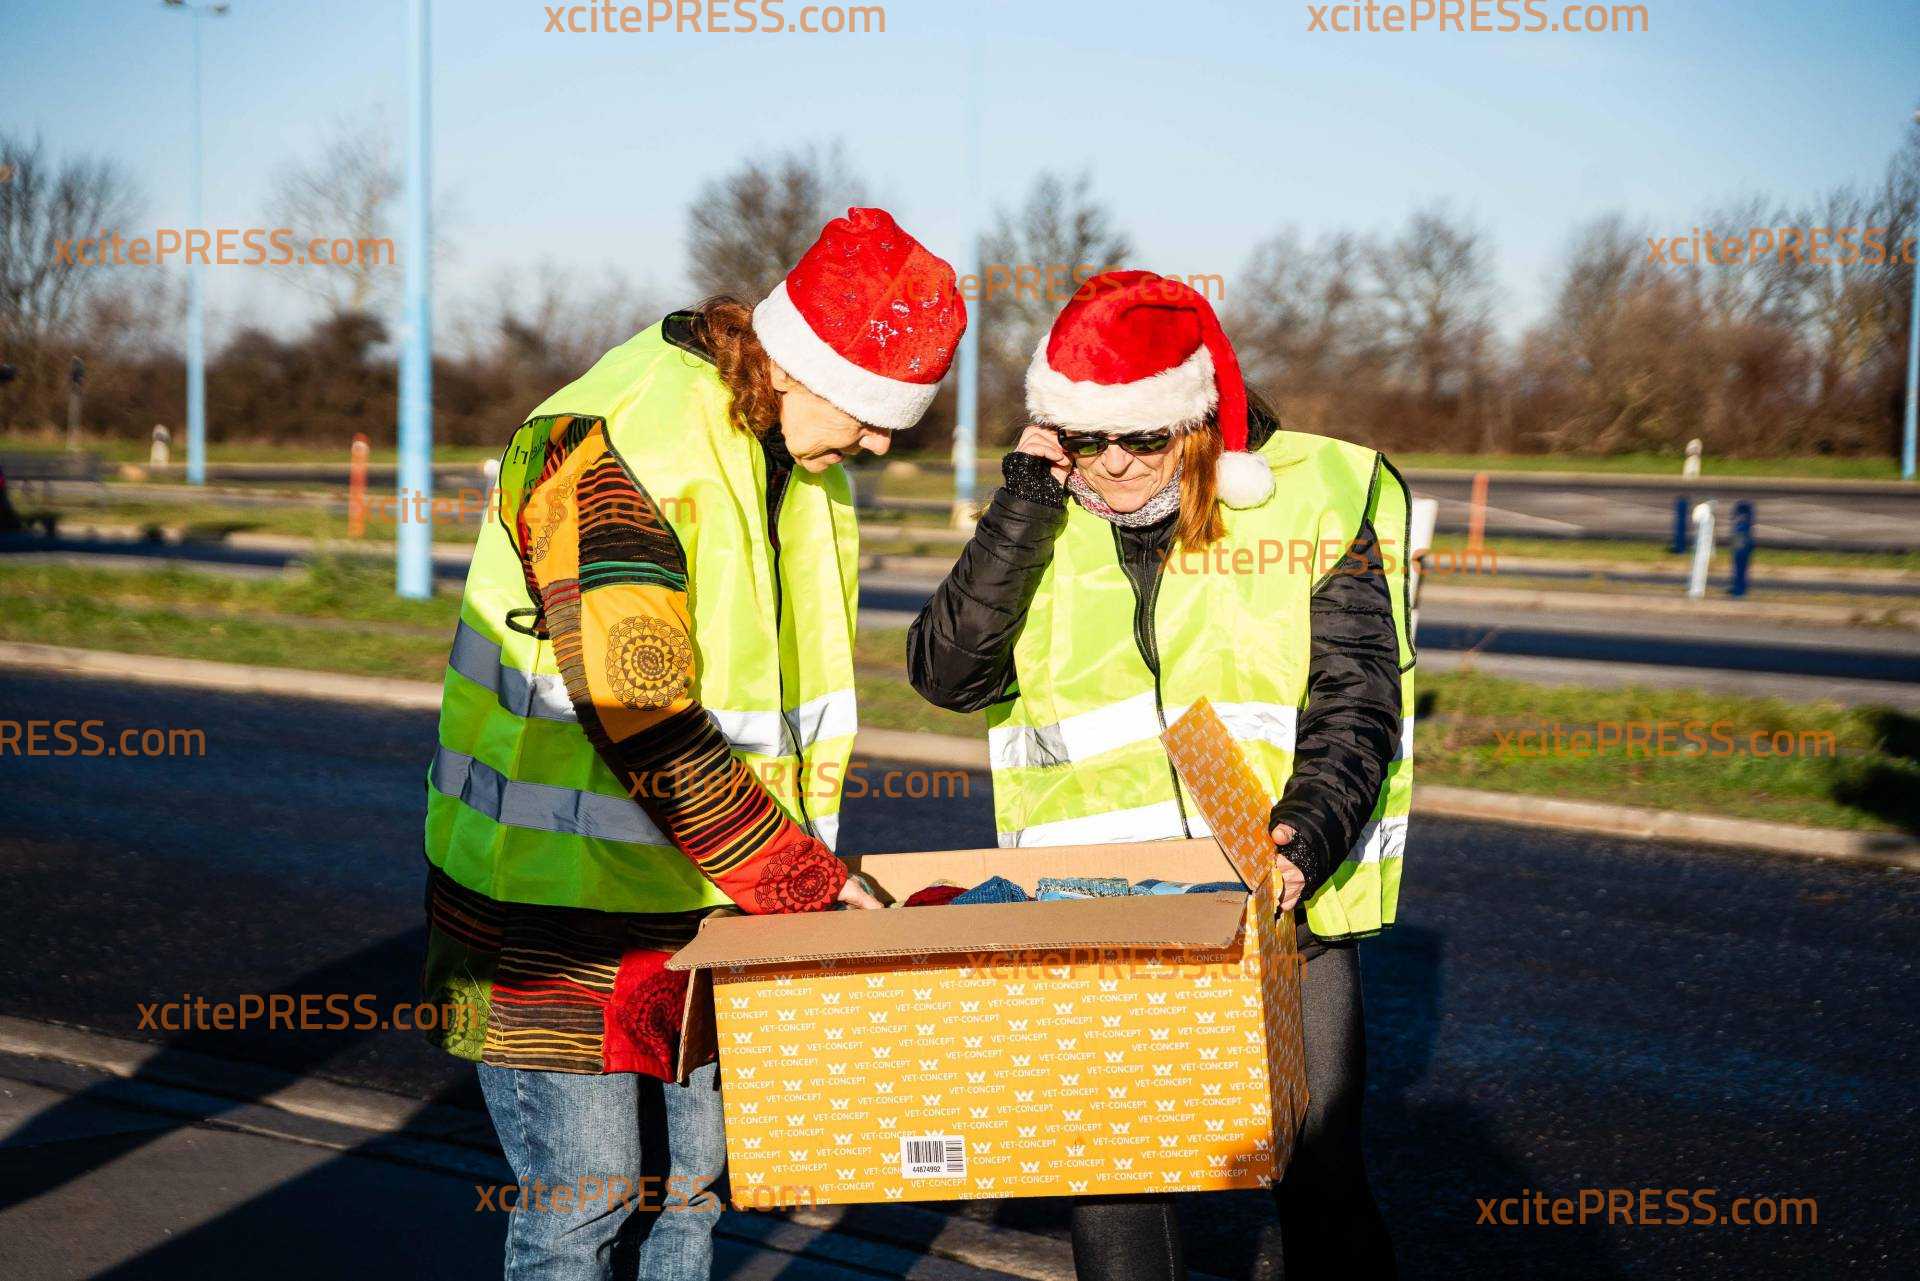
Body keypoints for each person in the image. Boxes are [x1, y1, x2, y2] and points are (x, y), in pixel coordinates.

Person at [422, 207, 967, 1281]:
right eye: (870, 411)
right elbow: (648, 721)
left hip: (720, 900)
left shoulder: (799, 459)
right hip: (557, 902)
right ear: (794, 364)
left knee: (695, 1197)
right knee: (583, 1206)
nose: (881, 442)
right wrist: (807, 886)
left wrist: (786, 886)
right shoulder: (622, 443)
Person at [908, 270, 1411, 1280]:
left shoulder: (1318, 494)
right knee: (1116, 1180)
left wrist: (1308, 833)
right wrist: (1024, 500)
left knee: (1317, 1172)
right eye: (1087, 438)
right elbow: (947, 674)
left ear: (1194, 422)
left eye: (1141, 438)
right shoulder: (1042, 513)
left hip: (1280, 898)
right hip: (1098, 909)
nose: (1115, 463)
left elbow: (1356, 696)